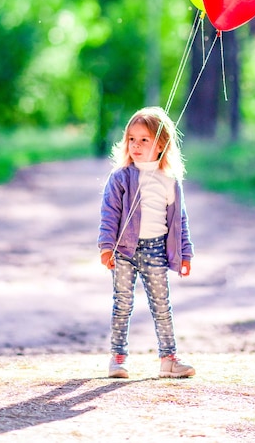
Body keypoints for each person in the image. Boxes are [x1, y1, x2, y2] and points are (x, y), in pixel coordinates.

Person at [98, 106, 195, 379]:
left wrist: (185, 253)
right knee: (123, 303)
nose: (136, 145)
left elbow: (179, 221)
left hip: (156, 251)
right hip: (124, 251)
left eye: (144, 140)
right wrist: (106, 247)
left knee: (162, 305)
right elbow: (109, 215)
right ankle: (118, 358)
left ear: (161, 144)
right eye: (132, 139)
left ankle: (169, 359)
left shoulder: (169, 181)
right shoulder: (120, 178)